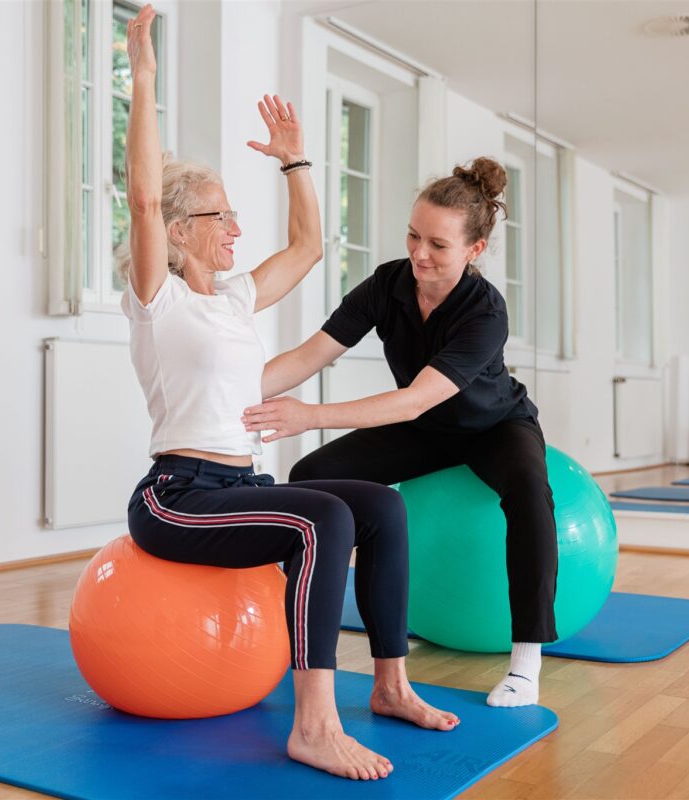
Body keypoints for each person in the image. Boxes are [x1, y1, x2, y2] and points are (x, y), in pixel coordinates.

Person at [118, 6, 457, 782]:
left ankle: (391, 684)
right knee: (323, 519)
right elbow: (140, 198)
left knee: (381, 505)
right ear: (176, 231)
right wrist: (142, 79)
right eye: (219, 216)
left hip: (242, 483)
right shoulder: (156, 300)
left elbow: (307, 247)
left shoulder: (233, 298)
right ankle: (313, 724)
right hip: (177, 495)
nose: (236, 228)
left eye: (238, 215)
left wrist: (298, 163)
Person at [242, 157, 557, 708]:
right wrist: (235, 389)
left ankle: (526, 662)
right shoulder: (389, 282)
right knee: (312, 474)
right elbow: (313, 354)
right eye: (414, 235)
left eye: (437, 244)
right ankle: (290, 628)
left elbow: (414, 400)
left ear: (474, 249)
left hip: (493, 426)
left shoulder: (485, 311)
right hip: (426, 430)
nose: (419, 253)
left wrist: (308, 416)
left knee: (531, 490)